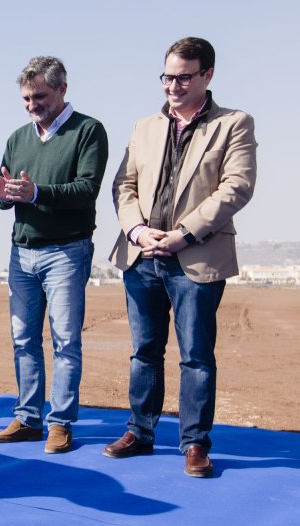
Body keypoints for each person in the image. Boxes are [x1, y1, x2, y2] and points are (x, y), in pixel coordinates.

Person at [106, 37, 257, 478]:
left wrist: (183, 235)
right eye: (167, 77)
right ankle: (140, 431)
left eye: (183, 77)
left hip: (196, 257)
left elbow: (237, 187)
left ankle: (194, 443)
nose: (172, 86)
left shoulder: (234, 124)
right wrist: (137, 230)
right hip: (141, 256)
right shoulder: (144, 126)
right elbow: (124, 185)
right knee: (144, 352)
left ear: (207, 75)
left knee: (196, 355)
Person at [0, 56, 108, 454]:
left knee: (65, 341)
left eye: (39, 96)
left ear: (62, 89)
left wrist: (36, 192)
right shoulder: (17, 138)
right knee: (23, 339)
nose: (31, 105)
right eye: (26, 98)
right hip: (22, 252)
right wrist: (2, 194)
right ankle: (28, 419)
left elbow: (87, 190)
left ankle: (61, 423)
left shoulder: (88, 130)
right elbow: (6, 197)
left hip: (66, 251)